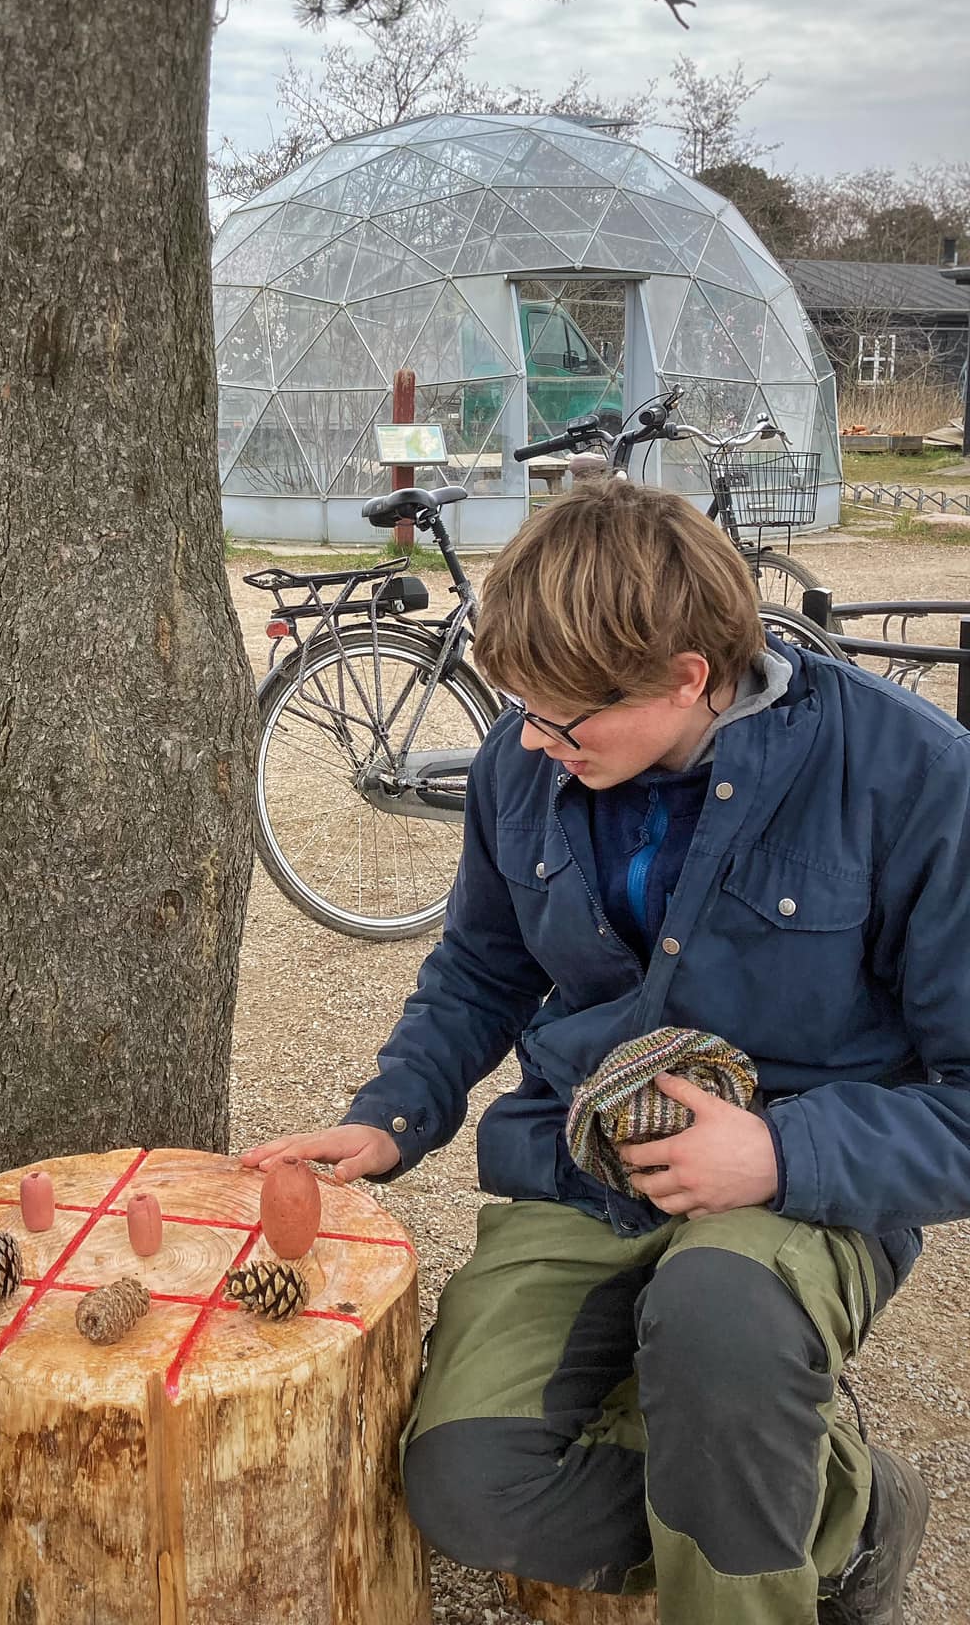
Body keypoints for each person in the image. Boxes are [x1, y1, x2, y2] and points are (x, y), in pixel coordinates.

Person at [246, 478, 967, 1625]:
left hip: (799, 1189)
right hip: (583, 1170)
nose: (531, 740)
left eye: (564, 719)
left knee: (719, 1315)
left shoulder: (914, 773)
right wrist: (392, 1112)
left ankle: (758, 1473)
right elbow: (480, 968)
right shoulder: (525, 756)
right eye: (520, 707)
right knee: (468, 1481)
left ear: (687, 675)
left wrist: (778, 1153)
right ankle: (847, 1502)